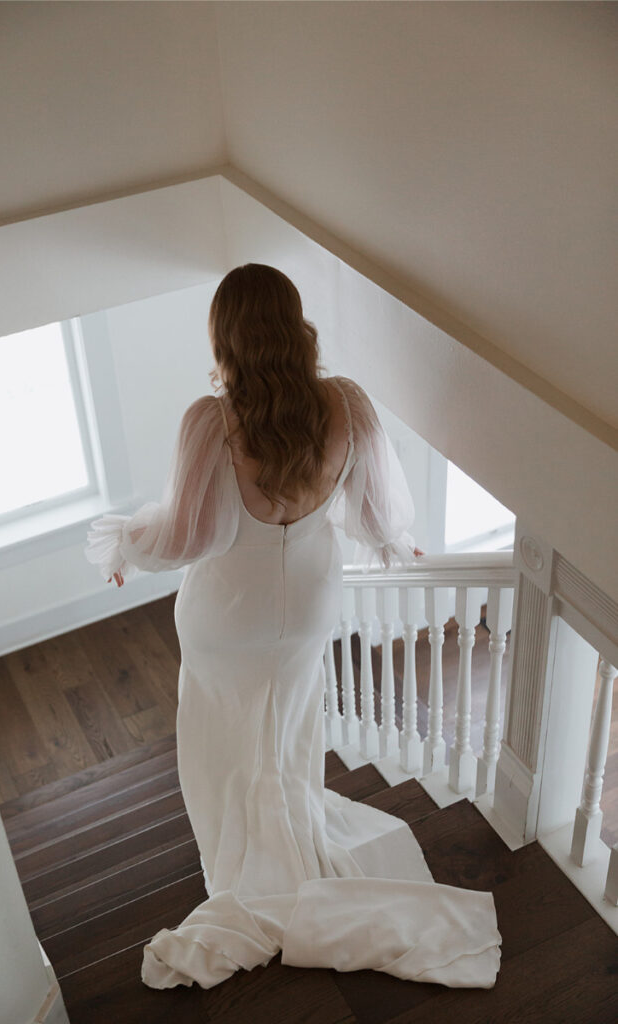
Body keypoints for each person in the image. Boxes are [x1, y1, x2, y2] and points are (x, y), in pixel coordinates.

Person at [84, 264, 501, 992]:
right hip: (307, 606)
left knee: (223, 734)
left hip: (225, 618)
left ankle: (245, 862)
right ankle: (289, 825)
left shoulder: (210, 423)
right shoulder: (346, 405)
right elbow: (378, 514)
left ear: (225, 337)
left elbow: (185, 535)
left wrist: (124, 544)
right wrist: (398, 546)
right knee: (289, 722)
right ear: (293, 324)